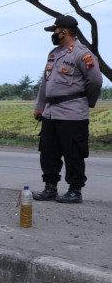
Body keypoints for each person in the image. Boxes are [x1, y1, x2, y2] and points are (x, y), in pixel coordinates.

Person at [32, 15, 102, 204]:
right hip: (50, 112)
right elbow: (45, 83)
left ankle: (75, 190)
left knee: (74, 153)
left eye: (54, 31)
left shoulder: (83, 54)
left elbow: (95, 81)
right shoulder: (53, 54)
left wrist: (87, 101)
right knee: (48, 152)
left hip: (72, 112)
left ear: (64, 32)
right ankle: (50, 188)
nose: (53, 34)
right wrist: (39, 106)